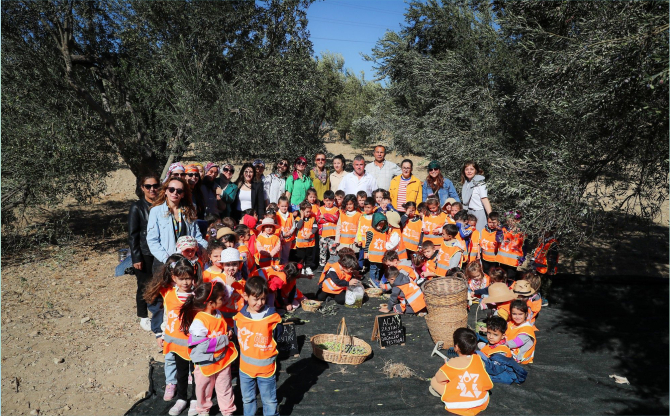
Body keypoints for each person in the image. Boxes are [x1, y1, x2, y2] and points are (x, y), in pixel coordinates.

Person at [144, 257, 197, 416]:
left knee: (195, 374)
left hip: (195, 343)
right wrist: (160, 334)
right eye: (181, 278)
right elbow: (158, 284)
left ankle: (195, 399)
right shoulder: (167, 293)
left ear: (193, 276)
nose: (185, 282)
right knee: (181, 373)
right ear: (174, 278)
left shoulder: (198, 295)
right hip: (176, 343)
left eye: (188, 278)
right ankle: (182, 398)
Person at [181, 282, 238, 416]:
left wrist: (228, 330)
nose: (224, 299)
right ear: (211, 303)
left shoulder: (217, 313)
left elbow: (220, 329)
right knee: (204, 389)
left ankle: (227, 411)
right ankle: (203, 411)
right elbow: (202, 345)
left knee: (225, 388)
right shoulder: (199, 322)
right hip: (205, 364)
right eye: (221, 298)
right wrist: (225, 339)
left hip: (222, 361)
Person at [233, 276, 283, 416]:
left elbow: (277, 335)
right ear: (245, 296)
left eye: (263, 298)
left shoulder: (273, 318)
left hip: (266, 369)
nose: (260, 303)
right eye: (256, 299)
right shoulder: (239, 318)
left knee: (269, 401)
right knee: (248, 399)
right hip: (245, 370)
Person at [146, 177, 208, 272]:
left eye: (179, 191)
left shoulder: (189, 211)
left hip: (187, 261)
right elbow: (152, 240)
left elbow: (197, 236)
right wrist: (168, 260)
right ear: (166, 191)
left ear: (183, 194)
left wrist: (204, 247)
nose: (175, 193)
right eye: (171, 189)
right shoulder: (156, 211)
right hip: (164, 262)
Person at [429, 328, 493, 415]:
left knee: (434, 381)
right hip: (480, 400)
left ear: (456, 347)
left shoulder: (452, 363)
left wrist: (446, 366)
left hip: (459, 403)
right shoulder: (478, 358)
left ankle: (445, 394)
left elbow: (439, 378)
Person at [128, 172, 160, 331]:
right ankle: (143, 316)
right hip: (144, 252)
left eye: (155, 186)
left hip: (159, 252)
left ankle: (159, 313)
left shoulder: (162, 204)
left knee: (159, 283)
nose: (152, 189)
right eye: (148, 186)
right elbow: (133, 235)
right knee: (143, 284)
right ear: (142, 188)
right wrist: (136, 257)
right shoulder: (137, 207)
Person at [461, 161, 492, 231]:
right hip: (469, 212)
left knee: (480, 234)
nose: (469, 171)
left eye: (471, 169)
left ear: (476, 171)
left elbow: (484, 199)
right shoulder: (466, 183)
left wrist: (491, 216)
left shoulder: (480, 183)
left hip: (479, 213)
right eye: (467, 169)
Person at [505, 300, 537, 364]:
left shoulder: (527, 330)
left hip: (518, 357)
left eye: (520, 314)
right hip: (509, 348)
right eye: (514, 314)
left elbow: (514, 344)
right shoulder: (511, 323)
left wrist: (499, 343)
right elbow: (501, 330)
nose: (517, 317)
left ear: (526, 314)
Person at [496, 211, 525, 281]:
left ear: (517, 221)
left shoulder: (522, 233)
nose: (510, 222)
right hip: (503, 260)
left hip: (513, 262)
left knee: (510, 279)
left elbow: (524, 246)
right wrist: (499, 231)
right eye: (508, 220)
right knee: (502, 278)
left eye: (512, 220)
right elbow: (498, 240)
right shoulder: (503, 229)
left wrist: (522, 258)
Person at [363, 212, 388, 288]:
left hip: (380, 256)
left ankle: (376, 281)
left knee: (378, 269)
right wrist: (366, 252)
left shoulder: (383, 232)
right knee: (373, 269)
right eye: (379, 224)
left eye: (382, 225)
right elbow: (367, 243)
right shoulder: (371, 231)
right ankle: (372, 281)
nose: (381, 226)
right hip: (373, 256)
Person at [293, 201, 318, 275]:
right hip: (301, 244)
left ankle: (307, 267)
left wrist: (310, 233)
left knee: (308, 256)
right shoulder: (298, 219)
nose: (308, 213)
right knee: (301, 257)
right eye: (306, 212)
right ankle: (302, 268)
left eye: (309, 212)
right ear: (302, 211)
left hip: (309, 243)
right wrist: (302, 217)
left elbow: (315, 228)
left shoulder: (312, 219)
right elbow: (298, 226)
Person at [317, 190, 340, 267]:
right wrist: (330, 218)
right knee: (322, 250)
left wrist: (325, 216)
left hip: (332, 235)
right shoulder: (320, 209)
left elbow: (335, 219)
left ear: (333, 200)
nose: (329, 202)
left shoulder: (336, 209)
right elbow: (319, 220)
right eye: (327, 201)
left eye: (330, 200)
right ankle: (322, 264)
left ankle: (332, 265)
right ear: (323, 200)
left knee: (333, 250)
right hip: (323, 235)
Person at [275, 196, 296, 264]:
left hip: (288, 239)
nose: (284, 208)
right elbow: (276, 226)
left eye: (286, 206)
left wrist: (290, 232)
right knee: (279, 255)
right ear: (278, 206)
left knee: (286, 255)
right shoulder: (276, 215)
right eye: (282, 206)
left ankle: (285, 268)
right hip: (279, 239)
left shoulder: (291, 215)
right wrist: (283, 234)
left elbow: (293, 225)